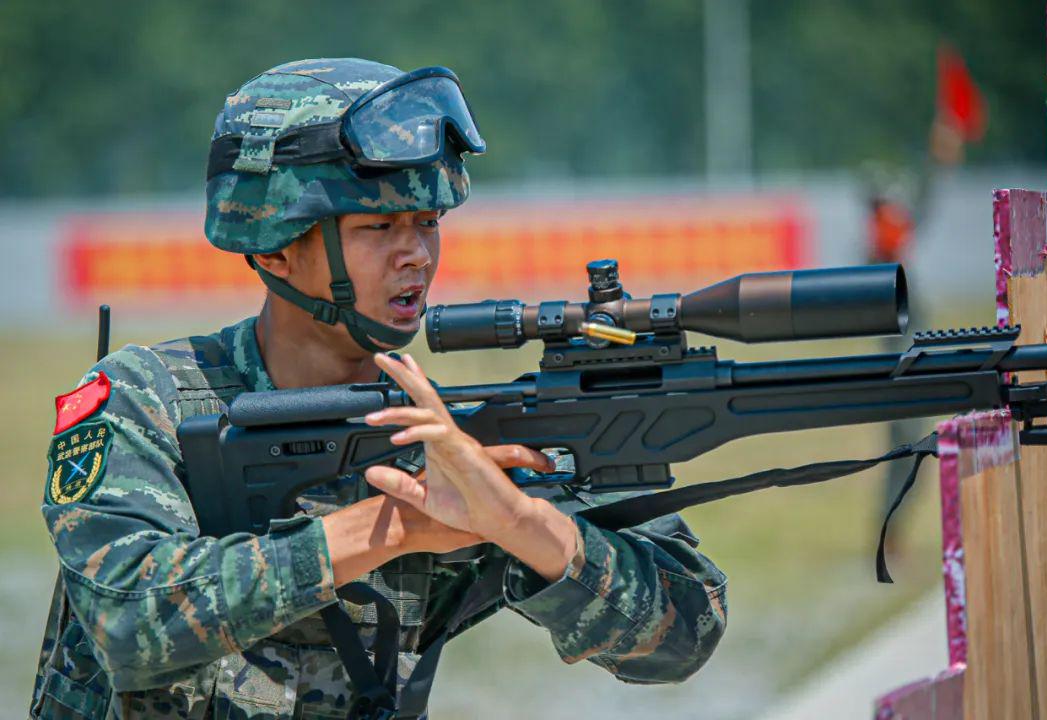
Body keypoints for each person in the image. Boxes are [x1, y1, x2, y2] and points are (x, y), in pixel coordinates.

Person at [29, 58, 727, 719]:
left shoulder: (455, 443)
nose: (416, 254)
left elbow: (684, 633)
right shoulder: (142, 399)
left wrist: (518, 524)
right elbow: (128, 619)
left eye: (428, 223)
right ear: (275, 246)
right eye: (378, 227)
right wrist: (398, 528)